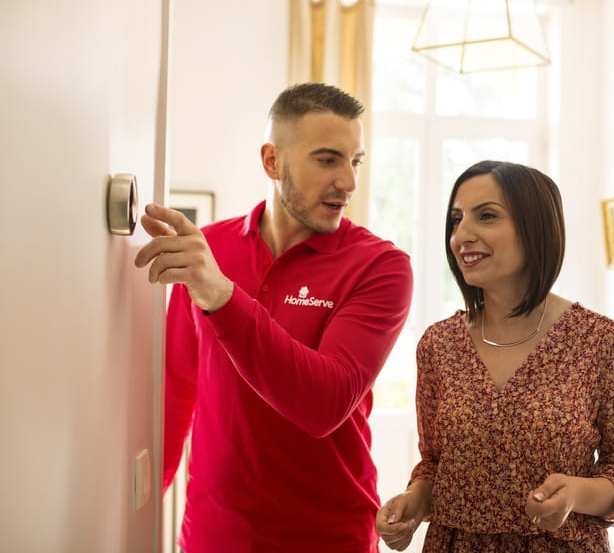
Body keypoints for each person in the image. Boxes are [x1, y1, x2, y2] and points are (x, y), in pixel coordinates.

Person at [134, 82, 413, 553]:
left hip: (328, 539)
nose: (348, 181)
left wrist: (222, 296)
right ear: (272, 161)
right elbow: (175, 394)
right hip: (210, 537)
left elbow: (325, 403)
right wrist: (133, 521)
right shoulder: (209, 251)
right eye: (328, 159)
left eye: (356, 161)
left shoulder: (380, 266)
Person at [375, 160, 614, 552]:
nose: (461, 235)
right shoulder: (439, 345)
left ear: (535, 227)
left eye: (486, 216)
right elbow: (436, 466)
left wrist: (575, 494)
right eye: (456, 220)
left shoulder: (600, 341)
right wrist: (413, 503)